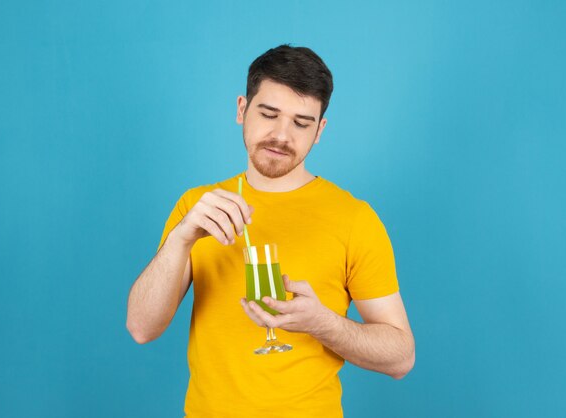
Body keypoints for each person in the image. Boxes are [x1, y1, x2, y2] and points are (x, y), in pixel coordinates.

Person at [126, 44, 415, 418]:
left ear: (320, 131)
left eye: (301, 122)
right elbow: (141, 327)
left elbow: (401, 357)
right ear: (242, 110)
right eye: (269, 113)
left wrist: (322, 323)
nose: (281, 135)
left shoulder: (354, 218)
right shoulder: (198, 208)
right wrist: (181, 238)